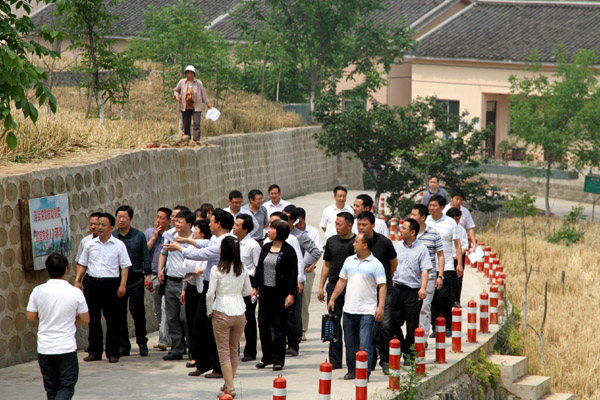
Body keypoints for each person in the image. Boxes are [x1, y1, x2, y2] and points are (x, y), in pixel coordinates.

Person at [165, 208, 235, 379]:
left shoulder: (225, 243)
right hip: (208, 287)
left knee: (212, 328)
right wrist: (185, 240)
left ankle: (218, 367)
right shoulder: (217, 240)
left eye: (211, 221)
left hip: (218, 288)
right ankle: (204, 363)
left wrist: (179, 247)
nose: (209, 224)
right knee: (199, 325)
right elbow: (204, 244)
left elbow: (200, 254)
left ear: (218, 224)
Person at [27, 252, 89, 400]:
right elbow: (85, 318)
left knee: (51, 388)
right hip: (66, 347)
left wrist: (47, 317)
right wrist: (70, 319)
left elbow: (30, 316)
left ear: (47, 269)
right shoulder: (75, 292)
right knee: (66, 387)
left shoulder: (37, 291)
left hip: (45, 348)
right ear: (66, 269)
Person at [328, 233, 386, 380]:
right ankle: (352, 370)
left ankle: (364, 372)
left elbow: (382, 286)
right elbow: (342, 281)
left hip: (367, 311)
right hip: (349, 310)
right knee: (350, 343)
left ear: (365, 245)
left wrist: (380, 307)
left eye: (356, 242)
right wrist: (333, 298)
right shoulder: (349, 261)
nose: (353, 244)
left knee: (365, 344)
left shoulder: (376, 264)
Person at [74, 212, 131, 363]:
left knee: (112, 319)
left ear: (111, 227)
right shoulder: (89, 244)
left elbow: (125, 266)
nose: (99, 227)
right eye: (98, 224)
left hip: (111, 284)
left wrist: (122, 285)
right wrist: (78, 280)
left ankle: (112, 352)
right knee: (93, 318)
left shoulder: (118, 245)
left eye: (103, 225)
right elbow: (83, 264)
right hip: (92, 283)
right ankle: (94, 351)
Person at [206, 236, 252, 399]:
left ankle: (230, 388)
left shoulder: (216, 269)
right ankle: (228, 383)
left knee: (223, 352)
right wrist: (236, 293)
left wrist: (209, 310)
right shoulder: (242, 268)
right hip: (239, 310)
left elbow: (210, 294)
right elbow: (248, 290)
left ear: (222, 250)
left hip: (221, 310)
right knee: (233, 350)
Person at [253, 220, 298, 371]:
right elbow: (259, 268)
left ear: (280, 232)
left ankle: (278, 359)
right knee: (263, 325)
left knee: (279, 327)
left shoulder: (289, 251)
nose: (269, 231)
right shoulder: (266, 247)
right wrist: (255, 287)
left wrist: (290, 294)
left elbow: (293, 274)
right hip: (265, 293)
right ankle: (267, 357)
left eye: (272, 228)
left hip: (280, 294)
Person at [356, 211, 397, 371]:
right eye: (359, 224)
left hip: (383, 289)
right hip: (365, 291)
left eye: (364, 225)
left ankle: (385, 360)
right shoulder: (356, 242)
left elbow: (393, 262)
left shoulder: (384, 242)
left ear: (373, 225)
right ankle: (370, 360)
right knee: (369, 327)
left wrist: (386, 280)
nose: (361, 228)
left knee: (385, 325)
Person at [317, 211, 355, 369]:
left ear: (349, 225)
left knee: (351, 324)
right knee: (333, 321)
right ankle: (335, 360)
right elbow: (326, 264)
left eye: (340, 224)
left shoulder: (357, 243)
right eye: (336, 224)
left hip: (352, 287)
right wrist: (321, 286)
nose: (337, 227)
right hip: (333, 286)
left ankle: (354, 359)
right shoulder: (331, 241)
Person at [390, 219, 432, 364]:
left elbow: (425, 270)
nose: (400, 230)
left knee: (412, 326)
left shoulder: (422, 249)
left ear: (412, 232)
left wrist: (423, 288)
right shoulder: (396, 246)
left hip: (413, 292)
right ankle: (402, 346)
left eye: (404, 228)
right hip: (396, 289)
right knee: (392, 322)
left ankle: (408, 355)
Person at [113, 205, 151, 357]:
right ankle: (124, 345)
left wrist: (148, 275)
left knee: (138, 312)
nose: (121, 220)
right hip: (118, 280)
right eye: (119, 217)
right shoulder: (113, 237)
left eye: (124, 217)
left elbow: (145, 256)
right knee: (119, 313)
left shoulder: (139, 236)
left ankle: (142, 342)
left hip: (135, 279)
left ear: (130, 219)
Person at [282, 205, 321, 352]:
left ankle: (295, 340)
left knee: (295, 311)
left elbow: (316, 252)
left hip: (295, 278)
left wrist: (301, 265)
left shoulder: (299, 236)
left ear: (293, 220)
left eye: (285, 217)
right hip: (280, 278)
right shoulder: (277, 233)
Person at [268, 211, 306, 357]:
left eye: (274, 224)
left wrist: (299, 280)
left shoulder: (291, 240)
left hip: (287, 283)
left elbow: (299, 261)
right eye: (270, 224)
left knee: (290, 316)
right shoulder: (267, 242)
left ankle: (293, 345)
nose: (271, 227)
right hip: (271, 284)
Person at [159, 210, 195, 361]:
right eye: (176, 221)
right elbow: (163, 253)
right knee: (172, 317)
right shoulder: (170, 235)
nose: (176, 224)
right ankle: (177, 349)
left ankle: (193, 349)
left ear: (189, 224)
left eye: (180, 222)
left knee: (186, 318)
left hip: (185, 282)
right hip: (170, 281)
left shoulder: (194, 238)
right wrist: (161, 270)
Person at [426, 194, 463, 336]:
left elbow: (457, 244)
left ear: (442, 207)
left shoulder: (450, 222)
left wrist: (459, 263)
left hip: (446, 265)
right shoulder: (426, 221)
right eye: (430, 205)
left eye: (434, 205)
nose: (431, 208)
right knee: (432, 298)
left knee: (443, 296)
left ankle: (448, 325)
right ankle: (435, 327)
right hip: (429, 265)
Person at [180, 219, 211, 376]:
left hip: (202, 288)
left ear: (203, 232)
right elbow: (186, 267)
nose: (193, 231)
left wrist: (196, 271)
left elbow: (205, 268)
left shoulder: (208, 247)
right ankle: (194, 355)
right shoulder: (191, 247)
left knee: (200, 323)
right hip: (191, 286)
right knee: (190, 321)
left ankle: (202, 358)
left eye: (196, 229)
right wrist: (184, 288)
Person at [409, 204, 444, 339]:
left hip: (429, 277)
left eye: (414, 215)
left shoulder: (433, 233)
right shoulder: (409, 234)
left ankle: (422, 338)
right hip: (411, 278)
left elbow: (440, 255)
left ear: (423, 217)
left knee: (424, 307)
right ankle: (412, 336)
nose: (411, 217)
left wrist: (440, 276)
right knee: (411, 308)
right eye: (411, 214)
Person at [232, 215, 261, 363]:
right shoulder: (233, 243)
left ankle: (250, 351)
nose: (234, 227)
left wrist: (255, 288)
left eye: (237, 225)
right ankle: (234, 349)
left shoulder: (253, 245)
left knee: (248, 317)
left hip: (249, 282)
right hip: (234, 281)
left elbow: (258, 268)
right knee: (233, 316)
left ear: (245, 229)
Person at [145, 207, 172, 351]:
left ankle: (164, 339)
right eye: (157, 217)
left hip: (168, 275)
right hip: (154, 274)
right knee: (158, 309)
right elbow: (145, 252)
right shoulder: (149, 233)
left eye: (162, 218)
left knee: (165, 306)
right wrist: (155, 237)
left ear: (169, 220)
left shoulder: (172, 234)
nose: (158, 220)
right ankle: (167, 338)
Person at [295, 207, 324, 341]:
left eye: (300, 222)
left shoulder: (313, 232)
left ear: (304, 220)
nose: (298, 225)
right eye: (296, 223)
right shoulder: (290, 233)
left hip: (307, 271)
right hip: (292, 271)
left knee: (304, 301)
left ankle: (302, 329)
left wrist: (312, 265)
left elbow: (317, 251)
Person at [173, 65, 212, 142]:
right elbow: (176, 90)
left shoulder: (198, 83)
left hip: (196, 106)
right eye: (188, 73)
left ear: (194, 74)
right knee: (186, 124)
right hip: (185, 106)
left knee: (196, 124)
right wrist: (177, 95)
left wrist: (207, 103)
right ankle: (187, 139)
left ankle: (196, 140)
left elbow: (203, 93)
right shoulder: (182, 82)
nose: (189, 75)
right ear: (185, 74)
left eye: (191, 73)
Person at [446, 207, 469, 306]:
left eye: (458, 219)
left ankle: (456, 300)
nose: (457, 221)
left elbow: (464, 245)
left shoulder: (461, 230)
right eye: (455, 219)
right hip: (447, 257)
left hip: (458, 258)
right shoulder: (444, 228)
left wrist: (458, 254)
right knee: (448, 280)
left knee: (458, 280)